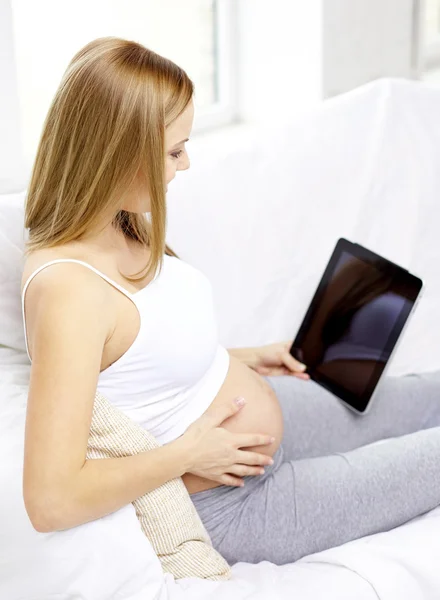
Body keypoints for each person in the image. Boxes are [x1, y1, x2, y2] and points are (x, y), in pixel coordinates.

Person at [21, 36, 440, 568]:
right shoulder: (69, 293)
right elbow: (50, 499)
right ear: (118, 149)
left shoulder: (118, 221)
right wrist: (188, 455)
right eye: (174, 150)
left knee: (428, 394)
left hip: (264, 409)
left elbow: (134, 358)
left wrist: (242, 358)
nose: (187, 163)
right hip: (233, 500)